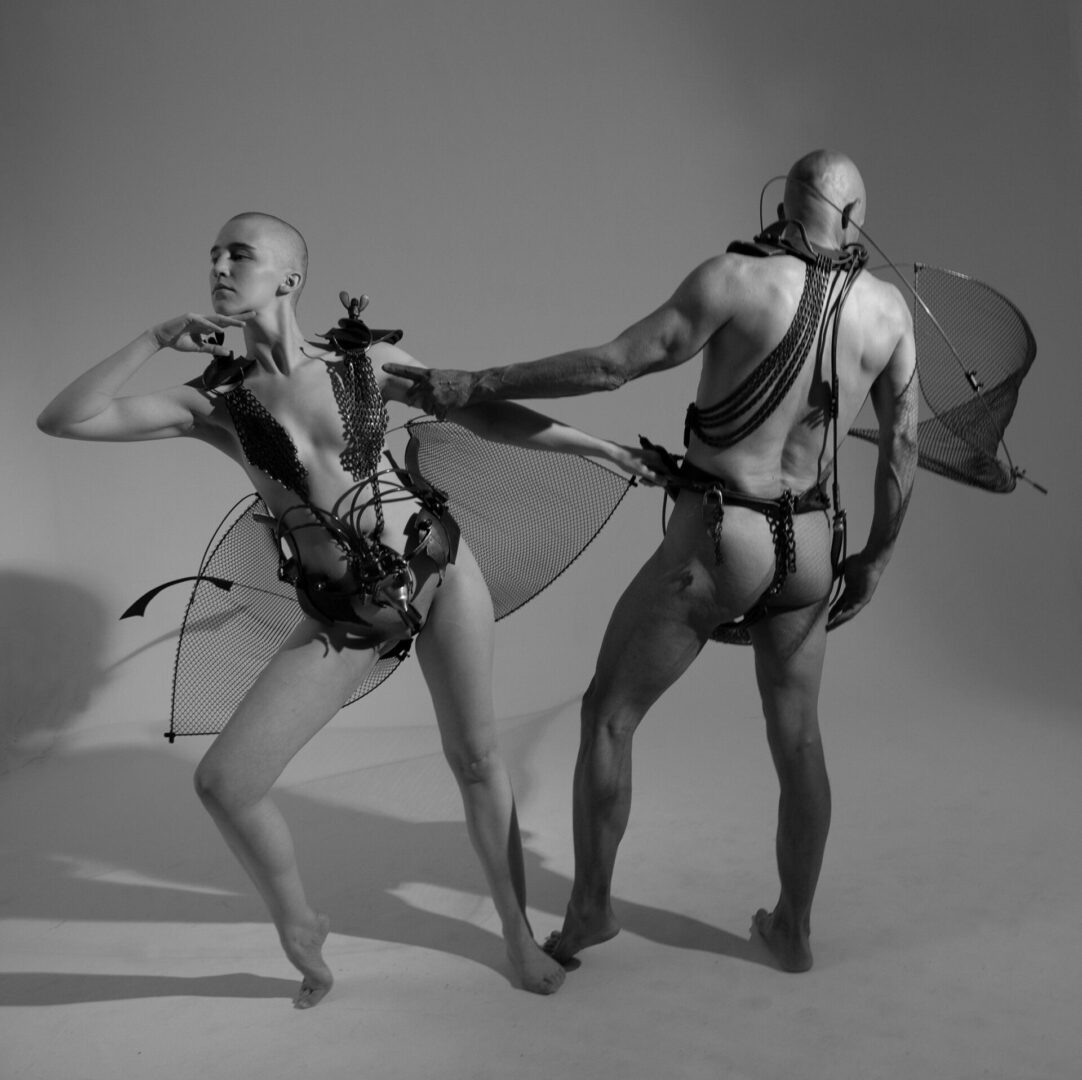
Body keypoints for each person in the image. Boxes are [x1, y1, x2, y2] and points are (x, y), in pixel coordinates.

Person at [37, 211, 658, 1006]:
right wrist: (154, 336)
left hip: (439, 564)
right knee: (227, 782)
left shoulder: (369, 362)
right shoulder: (214, 401)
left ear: (289, 277)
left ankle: (515, 935)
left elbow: (482, 412)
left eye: (241, 254)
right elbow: (66, 419)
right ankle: (300, 925)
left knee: (474, 759)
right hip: (350, 611)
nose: (221, 267)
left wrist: (599, 448)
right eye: (213, 256)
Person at [383, 150, 920, 973]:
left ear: (789, 201)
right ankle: (794, 932)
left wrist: (475, 382)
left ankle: (591, 912)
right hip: (812, 546)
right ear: (854, 216)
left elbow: (613, 365)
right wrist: (877, 559)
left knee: (609, 714)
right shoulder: (888, 313)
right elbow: (902, 449)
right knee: (801, 740)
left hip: (722, 536)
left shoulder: (736, 280)